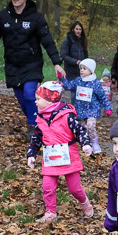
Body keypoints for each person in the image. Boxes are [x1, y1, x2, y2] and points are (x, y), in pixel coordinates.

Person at [0, 0, 65, 139]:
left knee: (30, 94)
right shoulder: (3, 16)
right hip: (12, 64)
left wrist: (56, 62)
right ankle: (38, 120)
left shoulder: (36, 17)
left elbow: (47, 39)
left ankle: (34, 126)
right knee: (22, 99)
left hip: (32, 64)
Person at [27, 81, 94, 225]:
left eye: (38, 99)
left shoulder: (67, 116)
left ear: (50, 99)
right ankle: (50, 212)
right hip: (50, 158)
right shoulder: (41, 119)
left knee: (74, 188)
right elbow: (36, 138)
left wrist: (86, 144)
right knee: (47, 187)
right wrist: (31, 154)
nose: (35, 101)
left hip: (68, 157)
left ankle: (85, 202)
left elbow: (80, 130)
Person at [61, 58, 112, 153]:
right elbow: (68, 86)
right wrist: (62, 79)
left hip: (92, 109)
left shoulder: (95, 83)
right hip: (80, 110)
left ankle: (94, 142)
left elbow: (102, 96)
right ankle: (86, 143)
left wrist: (108, 107)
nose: (81, 70)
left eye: (84, 68)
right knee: (82, 128)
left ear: (90, 70)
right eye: (80, 68)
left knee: (91, 126)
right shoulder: (78, 81)